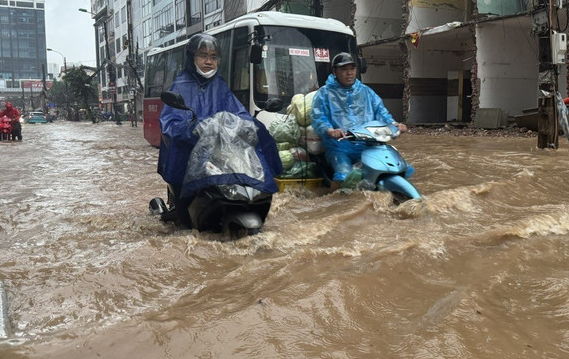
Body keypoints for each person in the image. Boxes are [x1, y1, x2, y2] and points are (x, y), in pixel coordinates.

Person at [157, 33, 282, 226]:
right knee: (184, 225)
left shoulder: (220, 85)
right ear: (192, 57)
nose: (208, 61)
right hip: (186, 154)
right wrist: (194, 129)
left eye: (213, 57)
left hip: (218, 154)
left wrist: (252, 126)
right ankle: (183, 220)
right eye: (203, 55)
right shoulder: (180, 86)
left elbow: (239, 112)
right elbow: (170, 123)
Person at [311, 52, 408, 189]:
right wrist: (330, 130)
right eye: (344, 69)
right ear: (335, 72)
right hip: (339, 146)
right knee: (344, 175)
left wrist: (394, 124)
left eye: (352, 68)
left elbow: (381, 111)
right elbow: (318, 116)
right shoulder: (324, 93)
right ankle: (334, 203)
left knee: (396, 165)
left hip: (367, 143)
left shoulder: (366, 91)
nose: (349, 73)